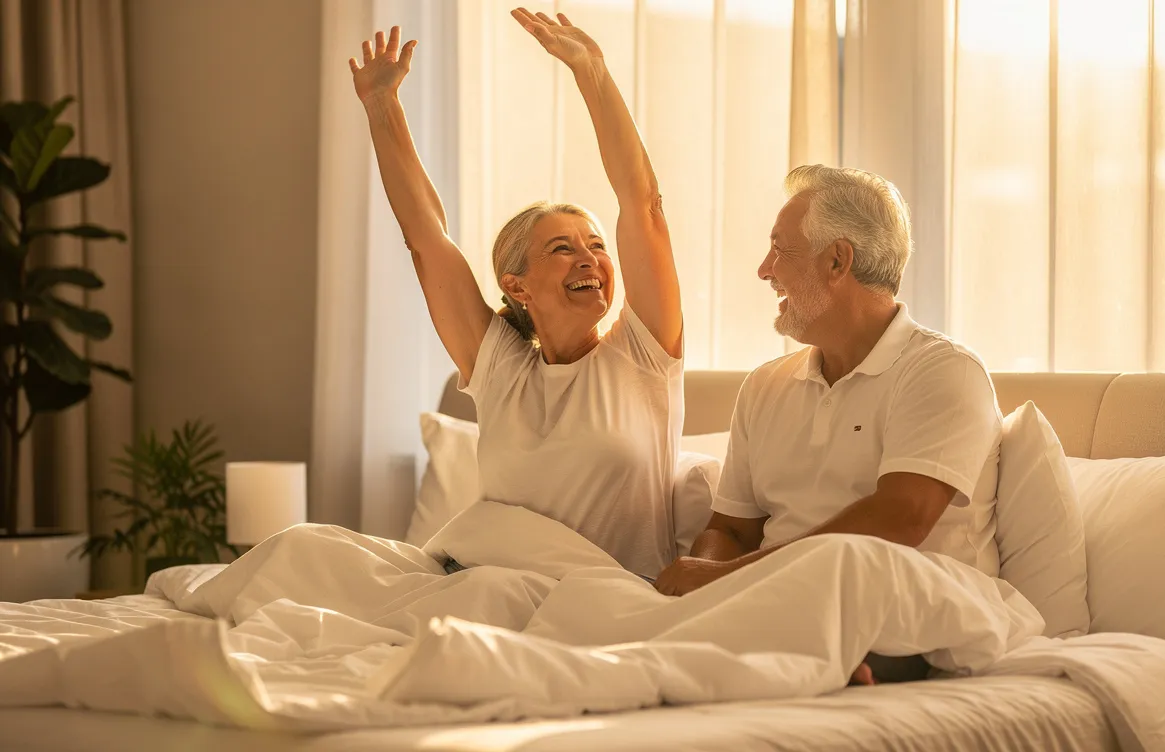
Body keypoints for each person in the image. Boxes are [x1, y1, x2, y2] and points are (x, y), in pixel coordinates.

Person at [349, 10, 684, 580]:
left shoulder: (643, 355)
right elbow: (426, 240)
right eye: (561, 248)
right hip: (494, 591)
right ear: (516, 285)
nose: (589, 258)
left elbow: (644, 205)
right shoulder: (502, 370)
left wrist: (592, 73)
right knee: (307, 551)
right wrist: (382, 106)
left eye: (595, 245)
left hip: (611, 605)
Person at [653, 165, 1002, 680]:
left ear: (838, 260)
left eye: (780, 249)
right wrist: (707, 581)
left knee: (847, 570)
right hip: (772, 602)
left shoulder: (944, 370)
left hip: (896, 611)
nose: (764, 270)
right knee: (585, 593)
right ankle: (788, 651)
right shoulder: (766, 385)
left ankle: (808, 653)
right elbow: (729, 529)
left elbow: (901, 519)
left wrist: (727, 581)